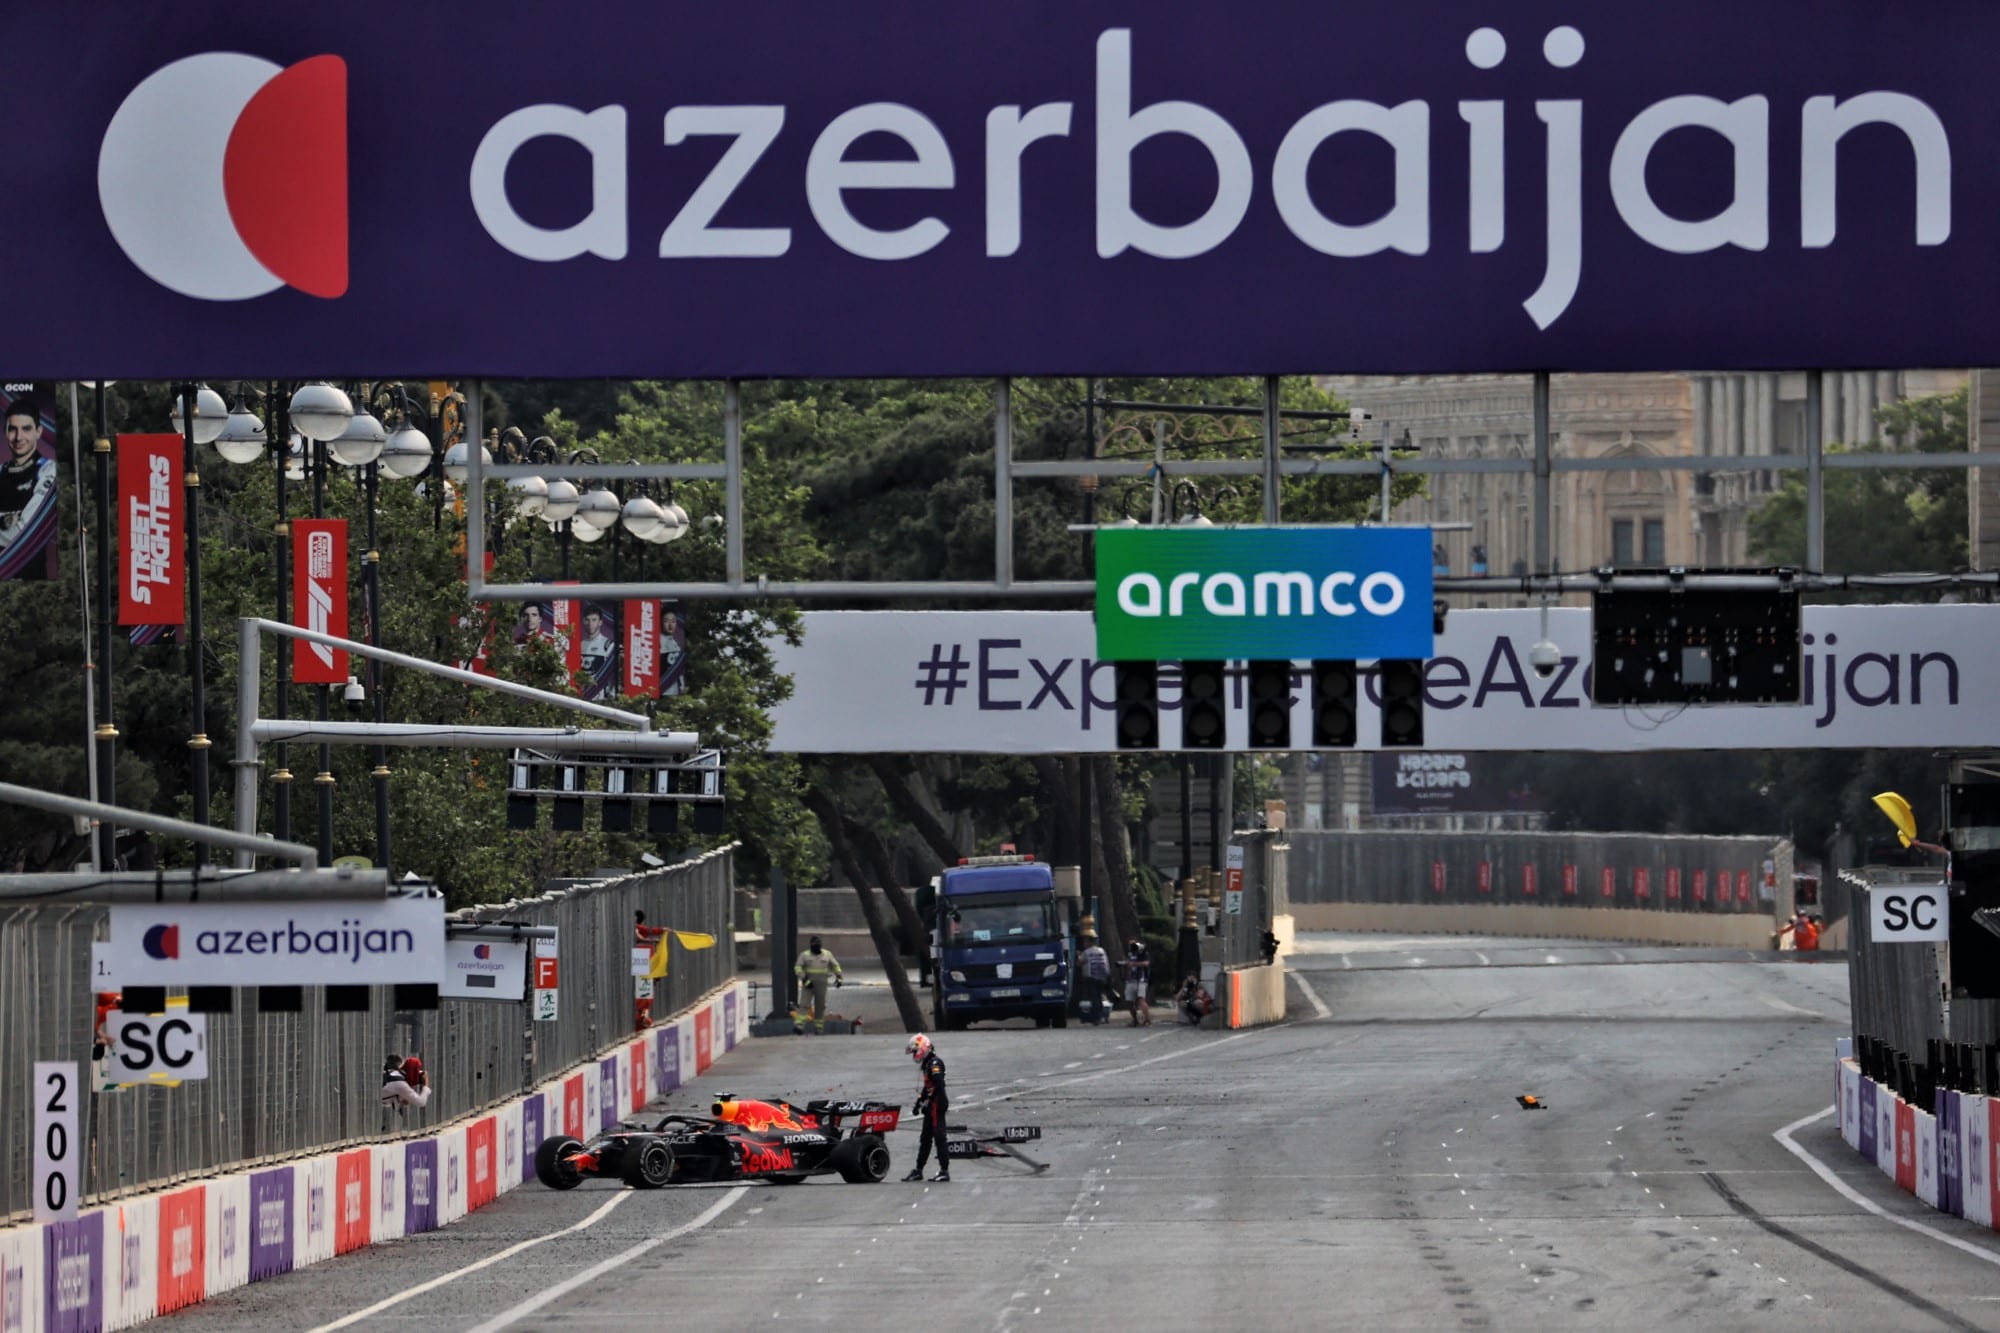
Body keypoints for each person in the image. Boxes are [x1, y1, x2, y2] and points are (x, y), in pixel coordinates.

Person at [0, 398, 55, 580]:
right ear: (5, 432)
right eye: (12, 429)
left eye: (26, 429)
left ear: (39, 432)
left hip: (34, 583)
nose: (18, 437)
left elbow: (24, 533)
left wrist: (16, 523)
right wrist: (7, 519)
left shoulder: (49, 471)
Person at [901, 1033, 950, 1183]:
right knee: (925, 1139)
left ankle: (944, 1171)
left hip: (937, 1105)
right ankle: (918, 1170)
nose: (914, 1055)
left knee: (939, 1138)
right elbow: (927, 1087)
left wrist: (929, 1101)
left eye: (915, 1051)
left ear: (922, 1048)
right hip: (930, 1106)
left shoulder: (935, 1063)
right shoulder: (927, 1064)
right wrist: (919, 1103)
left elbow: (938, 1085)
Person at [794, 935, 843, 1033]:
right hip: (808, 983)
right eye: (815, 944)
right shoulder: (804, 955)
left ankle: (818, 1028)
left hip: (822, 984)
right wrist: (804, 979)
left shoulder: (827, 954)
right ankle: (799, 1026)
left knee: (820, 1006)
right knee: (804, 1004)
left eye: (818, 944)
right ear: (811, 945)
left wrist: (839, 978)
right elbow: (797, 968)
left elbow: (835, 966)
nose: (817, 946)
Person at [634, 911, 667, 1029]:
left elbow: (648, 931)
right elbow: (645, 932)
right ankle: (642, 1015)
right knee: (644, 990)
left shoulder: (640, 931)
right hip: (641, 959)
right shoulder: (639, 931)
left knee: (644, 989)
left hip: (641, 960)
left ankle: (643, 1015)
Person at [1079, 930, 1112, 1024]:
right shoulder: (1101, 950)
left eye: (1085, 941)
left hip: (1091, 977)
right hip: (1102, 977)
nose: (1084, 943)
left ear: (1089, 942)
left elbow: (1079, 963)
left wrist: (1078, 956)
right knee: (1099, 996)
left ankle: (1096, 1018)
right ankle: (1103, 1016)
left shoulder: (1086, 952)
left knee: (1094, 998)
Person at [1123, 939, 1152, 1027]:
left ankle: (1147, 1019)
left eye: (1133, 945)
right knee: (1129, 1001)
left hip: (1141, 979)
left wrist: (1134, 964)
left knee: (1140, 999)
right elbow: (1129, 965)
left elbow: (1146, 963)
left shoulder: (1143, 953)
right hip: (1131, 980)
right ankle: (1135, 1019)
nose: (1131, 947)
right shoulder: (1130, 954)